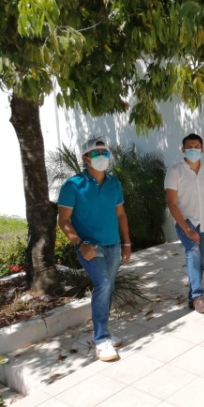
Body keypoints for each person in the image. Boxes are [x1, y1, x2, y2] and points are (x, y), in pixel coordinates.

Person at [58, 137, 132, 362]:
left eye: (105, 153)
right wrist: (80, 244)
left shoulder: (114, 183)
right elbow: (63, 220)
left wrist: (127, 243)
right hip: (90, 246)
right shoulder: (73, 185)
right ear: (85, 158)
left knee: (108, 287)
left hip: (113, 244)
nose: (102, 157)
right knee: (103, 284)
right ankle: (101, 340)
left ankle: (103, 331)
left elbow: (120, 214)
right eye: (96, 153)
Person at [165, 133, 204, 314]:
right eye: (189, 147)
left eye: (197, 146)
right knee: (192, 252)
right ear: (183, 149)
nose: (193, 150)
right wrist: (186, 229)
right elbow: (171, 203)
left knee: (200, 262)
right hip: (185, 221)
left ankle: (192, 297)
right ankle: (198, 297)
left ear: (202, 149)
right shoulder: (175, 172)